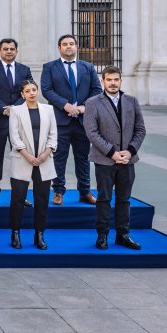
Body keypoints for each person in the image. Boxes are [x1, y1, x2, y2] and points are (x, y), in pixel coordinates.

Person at [84, 66, 146, 251]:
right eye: (109, 79)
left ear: (120, 81)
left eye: (116, 79)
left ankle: (123, 235)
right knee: (104, 198)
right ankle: (102, 235)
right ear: (103, 81)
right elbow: (92, 132)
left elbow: (140, 129)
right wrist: (112, 152)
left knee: (124, 199)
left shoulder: (131, 101)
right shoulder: (93, 102)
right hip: (105, 160)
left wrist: (130, 151)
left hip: (128, 160)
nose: (112, 83)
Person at [40, 34, 103, 206]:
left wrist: (83, 107)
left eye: (72, 44)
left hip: (83, 121)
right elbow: (47, 90)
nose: (69, 47)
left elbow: (97, 90)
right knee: (59, 157)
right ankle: (58, 191)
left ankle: (85, 192)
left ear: (76, 47)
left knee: (83, 158)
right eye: (65, 44)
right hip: (60, 120)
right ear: (59, 48)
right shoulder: (50, 67)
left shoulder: (88, 67)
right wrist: (65, 105)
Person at [0, 38, 34, 207]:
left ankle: (21, 195)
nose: (9, 51)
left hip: (19, 120)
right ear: (0, 51)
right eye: (6, 49)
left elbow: (29, 90)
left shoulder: (24, 70)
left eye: (12, 48)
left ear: (16, 51)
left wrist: (15, 108)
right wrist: (3, 107)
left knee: (20, 158)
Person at [8, 80, 57, 250]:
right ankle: (15, 233)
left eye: (34, 90)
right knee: (18, 199)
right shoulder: (16, 111)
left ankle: (39, 234)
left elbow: (53, 134)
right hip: (22, 159)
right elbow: (14, 136)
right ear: (22, 94)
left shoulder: (48, 110)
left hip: (44, 161)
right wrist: (27, 155)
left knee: (42, 200)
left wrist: (45, 153)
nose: (31, 93)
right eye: (27, 91)